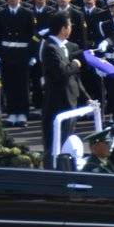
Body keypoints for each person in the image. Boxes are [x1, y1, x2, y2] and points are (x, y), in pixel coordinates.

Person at [41, 11, 86, 157]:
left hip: (70, 99)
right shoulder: (50, 47)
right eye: (69, 26)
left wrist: (86, 97)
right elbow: (62, 72)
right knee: (55, 142)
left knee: (65, 140)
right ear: (63, 29)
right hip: (57, 101)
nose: (71, 28)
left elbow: (75, 78)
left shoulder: (67, 46)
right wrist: (75, 63)